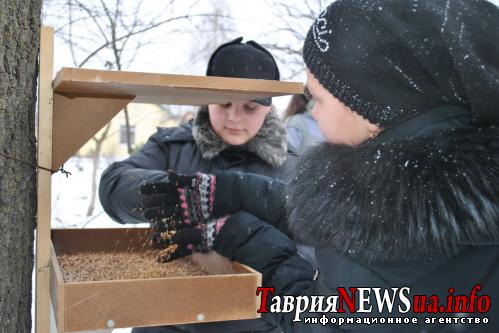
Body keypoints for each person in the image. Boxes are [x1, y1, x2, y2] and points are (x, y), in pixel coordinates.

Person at [138, 1, 499, 332]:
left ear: (373, 110)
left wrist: (252, 243)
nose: (311, 110)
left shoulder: (377, 269)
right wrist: (235, 193)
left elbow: (311, 319)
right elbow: (361, 211)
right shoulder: (445, 195)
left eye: (318, 97)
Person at [99, 37, 296, 333]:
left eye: (250, 107)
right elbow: (114, 187)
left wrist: (242, 257)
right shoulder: (173, 146)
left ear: (269, 108)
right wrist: (187, 195)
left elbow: (313, 257)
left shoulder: (293, 168)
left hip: (254, 325)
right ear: (206, 98)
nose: (233, 117)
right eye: (224, 102)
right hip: (165, 320)